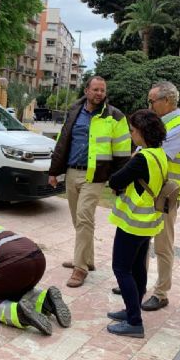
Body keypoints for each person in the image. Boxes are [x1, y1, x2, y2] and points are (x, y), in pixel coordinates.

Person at [48, 76, 131, 288]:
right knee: (79, 220)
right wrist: (54, 171)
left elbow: (123, 152)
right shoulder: (75, 112)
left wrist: (118, 182)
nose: (99, 93)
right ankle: (87, 259)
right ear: (86, 91)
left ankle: (80, 268)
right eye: (95, 89)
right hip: (72, 172)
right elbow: (62, 141)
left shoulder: (115, 116)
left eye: (102, 90)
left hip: (95, 176)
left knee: (84, 218)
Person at [106, 109, 168, 338]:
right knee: (137, 268)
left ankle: (134, 321)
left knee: (121, 268)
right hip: (149, 221)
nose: (131, 134)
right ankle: (132, 309)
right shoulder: (159, 154)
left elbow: (115, 180)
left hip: (133, 222)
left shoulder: (142, 158)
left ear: (142, 132)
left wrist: (131, 159)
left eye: (133, 130)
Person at [141, 81, 180, 311]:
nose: (149, 105)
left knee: (163, 244)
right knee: (141, 239)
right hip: (149, 190)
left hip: (167, 195)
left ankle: (161, 293)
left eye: (152, 101)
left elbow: (159, 157)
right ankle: (137, 282)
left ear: (167, 101)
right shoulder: (157, 124)